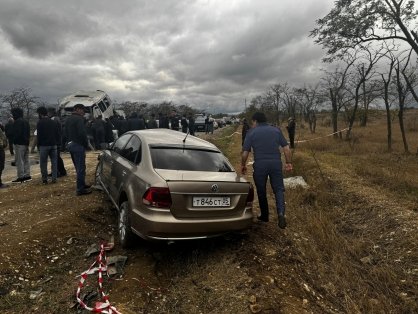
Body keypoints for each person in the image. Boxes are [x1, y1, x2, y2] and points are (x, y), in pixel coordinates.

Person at [241, 112, 293, 229]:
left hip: (260, 165)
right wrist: (289, 163)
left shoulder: (251, 132)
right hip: (276, 163)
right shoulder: (276, 130)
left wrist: (243, 165)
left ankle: (264, 215)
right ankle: (281, 213)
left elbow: (245, 153)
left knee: (261, 190)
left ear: (255, 121)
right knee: (279, 189)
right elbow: (286, 148)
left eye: (252, 122)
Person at [65, 104, 92, 196]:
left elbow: (64, 132)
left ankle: (82, 184)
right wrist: (86, 144)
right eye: (82, 110)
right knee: (81, 167)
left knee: (78, 166)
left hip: (70, 144)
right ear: (77, 109)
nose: (83, 112)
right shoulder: (79, 119)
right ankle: (80, 189)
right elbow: (82, 133)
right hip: (78, 144)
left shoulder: (68, 118)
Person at [36, 106, 58, 184]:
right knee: (54, 162)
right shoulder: (53, 122)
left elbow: (39, 135)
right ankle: (54, 178)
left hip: (44, 145)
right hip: (53, 144)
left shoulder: (40, 122)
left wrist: (38, 145)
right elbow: (57, 133)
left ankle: (44, 179)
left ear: (40, 113)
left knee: (43, 163)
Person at [11, 107, 31, 183]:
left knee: (19, 161)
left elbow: (17, 133)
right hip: (26, 143)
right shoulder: (26, 121)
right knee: (26, 160)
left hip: (19, 143)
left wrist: (14, 141)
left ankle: (21, 176)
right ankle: (27, 175)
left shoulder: (17, 122)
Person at [48, 107, 67, 177]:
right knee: (57, 157)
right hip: (58, 140)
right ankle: (61, 171)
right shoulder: (57, 119)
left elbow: (54, 131)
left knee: (55, 157)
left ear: (51, 113)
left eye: (48, 112)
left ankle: (58, 172)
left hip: (56, 141)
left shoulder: (54, 120)